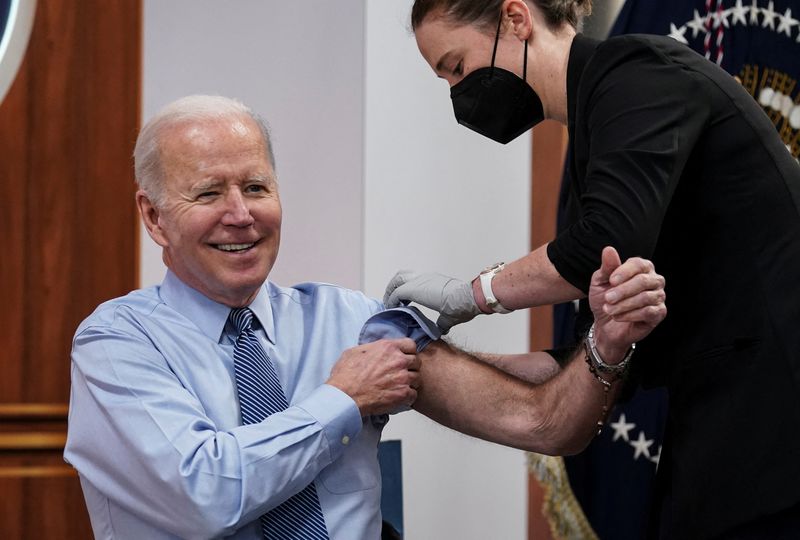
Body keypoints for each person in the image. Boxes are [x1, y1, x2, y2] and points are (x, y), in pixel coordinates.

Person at [63, 94, 666, 539]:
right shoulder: (116, 344)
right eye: (208, 193)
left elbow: (535, 418)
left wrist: (606, 340)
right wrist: (340, 400)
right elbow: (203, 496)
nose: (241, 214)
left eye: (256, 186)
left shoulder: (347, 319)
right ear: (153, 216)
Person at [383, 1, 800, 538]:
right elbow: (599, 355)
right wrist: (441, 365)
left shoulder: (639, 73)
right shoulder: (595, 133)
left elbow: (595, 247)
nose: (458, 94)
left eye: (457, 67)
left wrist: (472, 294)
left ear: (515, 19)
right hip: (724, 420)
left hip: (776, 419)